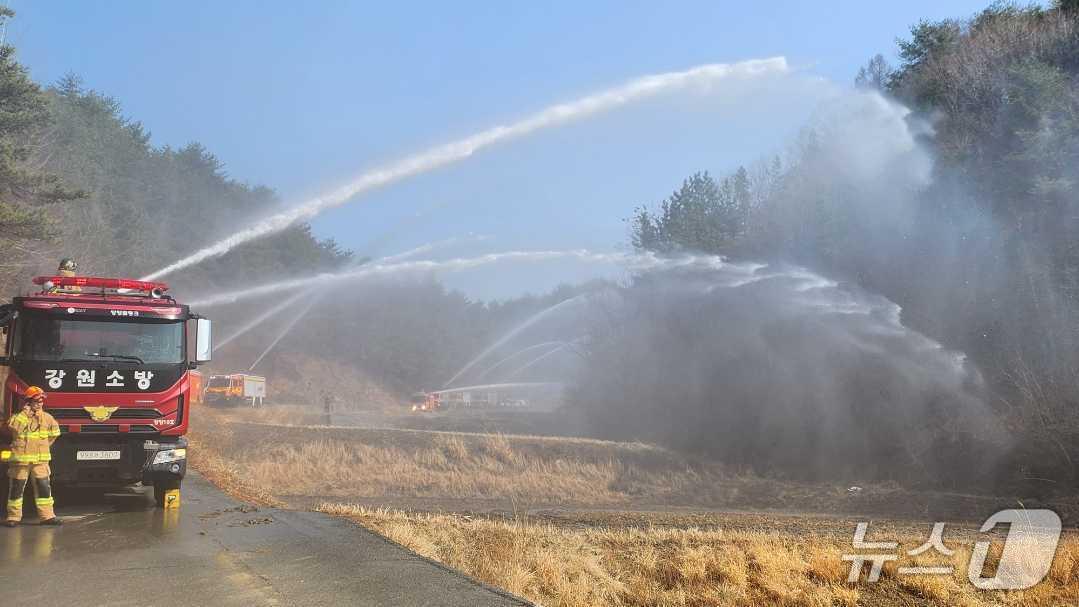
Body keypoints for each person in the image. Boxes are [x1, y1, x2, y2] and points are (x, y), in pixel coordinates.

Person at [4, 386, 62, 527]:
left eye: (41, 401)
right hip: (20, 461)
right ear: (28, 402)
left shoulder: (47, 418)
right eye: (37, 401)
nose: (40, 403)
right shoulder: (18, 417)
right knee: (16, 488)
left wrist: (43, 447)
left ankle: (47, 517)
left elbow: (55, 433)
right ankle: (13, 517)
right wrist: (26, 414)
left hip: (40, 461)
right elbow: (13, 428)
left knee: (44, 488)